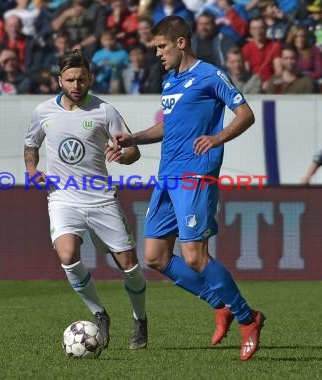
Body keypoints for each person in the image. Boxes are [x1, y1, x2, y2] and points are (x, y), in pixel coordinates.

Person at [114, 15, 265, 361]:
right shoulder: (170, 81)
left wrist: (217, 137)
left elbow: (245, 114)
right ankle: (220, 305)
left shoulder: (211, 75)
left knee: (195, 256)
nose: (157, 54)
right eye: (155, 48)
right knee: (155, 256)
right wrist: (133, 137)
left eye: (161, 47)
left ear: (181, 43)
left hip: (195, 176)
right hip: (167, 176)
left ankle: (248, 318)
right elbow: (169, 126)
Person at [23, 49, 148, 350]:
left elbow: (133, 151)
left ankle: (140, 319)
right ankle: (99, 314)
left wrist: (123, 153)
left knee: (129, 265)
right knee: (67, 256)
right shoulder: (43, 112)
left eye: (81, 79)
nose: (76, 85)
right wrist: (31, 170)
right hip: (63, 198)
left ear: (90, 78)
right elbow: (31, 145)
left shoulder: (105, 111)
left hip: (101, 198)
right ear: (59, 80)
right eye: (70, 80)